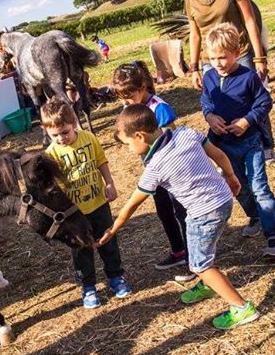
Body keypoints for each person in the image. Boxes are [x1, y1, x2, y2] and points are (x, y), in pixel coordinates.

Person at [97, 104, 260, 330]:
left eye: (127, 144)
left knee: (200, 265)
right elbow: (219, 154)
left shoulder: (155, 167)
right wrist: (231, 177)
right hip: (222, 200)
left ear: (139, 136)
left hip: (205, 213)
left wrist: (113, 228)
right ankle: (207, 285)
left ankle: (241, 307)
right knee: (197, 249)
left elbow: (132, 205)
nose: (127, 149)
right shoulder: (186, 132)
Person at [183, 0, 275, 162]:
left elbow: (250, 21)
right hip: (211, 58)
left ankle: (265, 144)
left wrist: (259, 56)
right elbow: (194, 34)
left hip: (239, 52)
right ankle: (228, 150)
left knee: (254, 98)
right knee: (218, 103)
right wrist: (194, 67)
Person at [201, 23, 275, 257]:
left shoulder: (248, 77)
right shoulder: (209, 77)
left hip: (250, 143)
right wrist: (209, 116)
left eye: (223, 57)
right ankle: (255, 216)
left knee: (259, 187)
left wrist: (246, 121)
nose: (218, 63)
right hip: (224, 146)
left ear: (237, 53)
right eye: (212, 57)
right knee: (237, 186)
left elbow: (264, 103)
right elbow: (206, 100)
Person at [41, 98, 130, 309]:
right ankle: (88, 286)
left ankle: (116, 277)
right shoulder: (51, 154)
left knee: (108, 242)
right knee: (81, 250)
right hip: (74, 213)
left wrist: (109, 183)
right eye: (55, 135)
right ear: (46, 132)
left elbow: (101, 161)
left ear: (73, 123)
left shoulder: (89, 138)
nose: (61, 138)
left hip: (98, 203)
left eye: (65, 132)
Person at [111, 62, 192, 282]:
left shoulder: (159, 108)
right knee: (164, 211)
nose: (126, 102)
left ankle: (193, 257)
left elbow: (173, 137)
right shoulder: (131, 109)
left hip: (171, 172)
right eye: (122, 97)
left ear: (143, 87)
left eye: (130, 95)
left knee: (181, 211)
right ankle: (178, 252)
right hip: (154, 173)